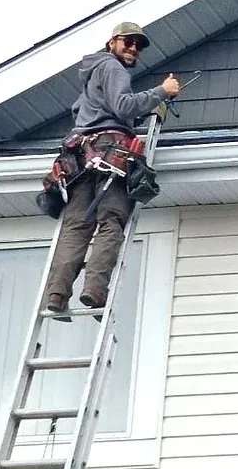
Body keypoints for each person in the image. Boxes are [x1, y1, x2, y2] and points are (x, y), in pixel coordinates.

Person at [44, 21, 181, 316]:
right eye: (127, 42)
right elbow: (122, 106)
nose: (133, 49)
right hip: (110, 154)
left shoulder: (94, 71)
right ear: (112, 43)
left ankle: (56, 294)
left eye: (138, 45)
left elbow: (86, 112)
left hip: (79, 158)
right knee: (111, 220)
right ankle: (94, 290)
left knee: (76, 227)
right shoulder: (114, 68)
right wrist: (162, 91)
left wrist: (130, 118)